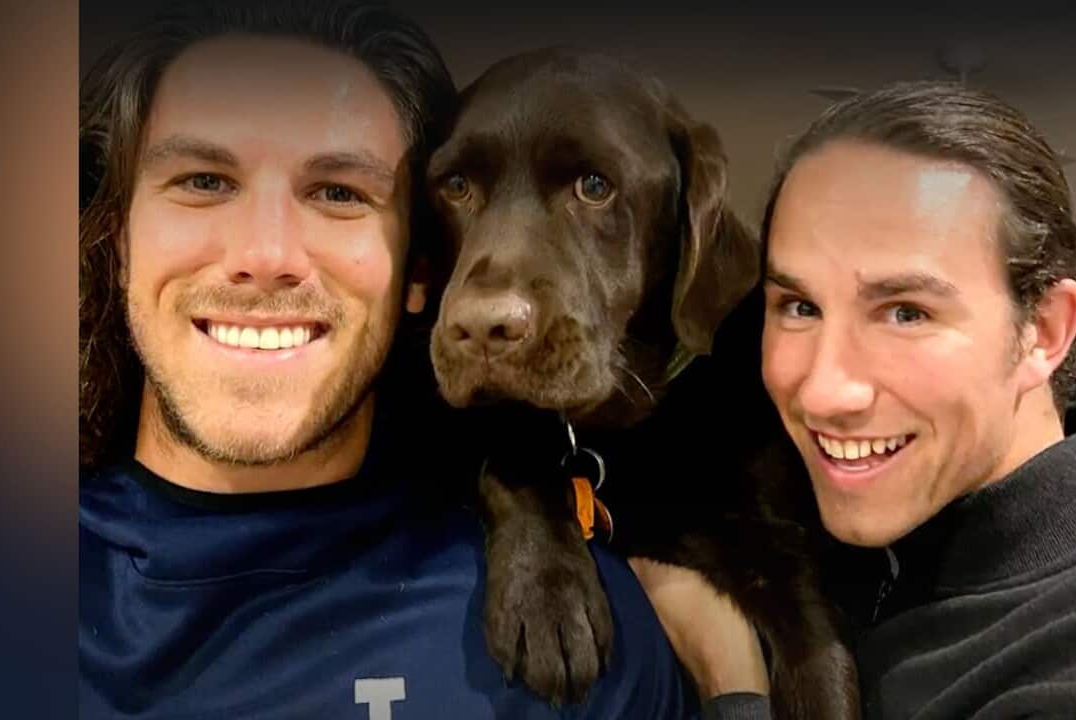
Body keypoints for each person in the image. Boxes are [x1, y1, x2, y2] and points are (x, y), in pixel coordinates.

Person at [78, 2, 746, 717]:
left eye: (338, 193)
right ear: (116, 235)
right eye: (204, 181)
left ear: (423, 268)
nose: (265, 257)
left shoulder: (593, 631)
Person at [638, 81, 1076, 719]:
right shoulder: (862, 518)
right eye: (800, 307)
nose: (825, 390)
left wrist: (732, 685)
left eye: (906, 312)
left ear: (1042, 332)